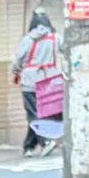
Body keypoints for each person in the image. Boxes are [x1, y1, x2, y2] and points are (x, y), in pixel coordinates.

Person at [13, 9, 64, 156]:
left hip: (30, 82)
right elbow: (67, 51)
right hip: (50, 83)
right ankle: (29, 147)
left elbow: (18, 59)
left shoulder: (28, 40)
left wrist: (16, 71)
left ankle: (45, 142)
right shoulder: (56, 38)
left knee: (33, 114)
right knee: (44, 114)